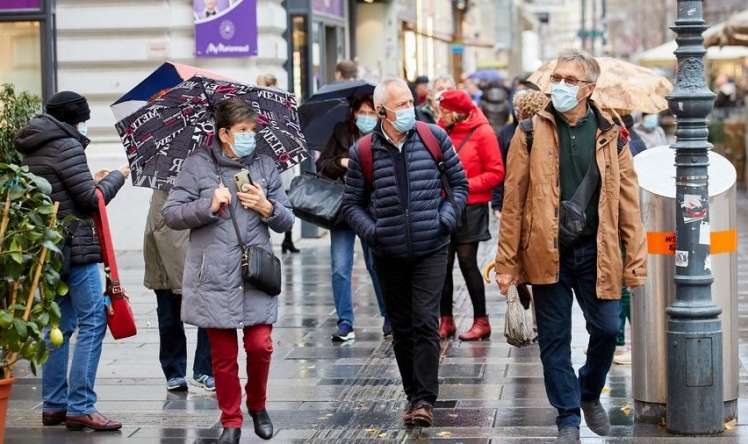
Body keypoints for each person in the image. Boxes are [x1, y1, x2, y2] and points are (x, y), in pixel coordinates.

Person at [494, 51, 647, 444]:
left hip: (598, 252)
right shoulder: (529, 131)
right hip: (547, 251)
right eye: (557, 77)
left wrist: (636, 260)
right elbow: (513, 200)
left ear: (589, 88)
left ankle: (589, 392)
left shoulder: (613, 136)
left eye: (570, 79)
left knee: (608, 329)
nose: (560, 85)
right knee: (555, 340)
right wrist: (506, 263)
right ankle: (567, 416)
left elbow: (629, 204)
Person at [163, 98, 294, 443]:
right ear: (223, 133)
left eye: (253, 130)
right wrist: (208, 205)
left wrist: (267, 206)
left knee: (260, 345)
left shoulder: (265, 166)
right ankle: (231, 420)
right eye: (242, 131)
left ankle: (259, 404)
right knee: (222, 357)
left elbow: (287, 218)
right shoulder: (196, 165)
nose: (250, 136)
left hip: (256, 273)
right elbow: (172, 214)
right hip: (214, 275)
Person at [343, 77, 468, 427]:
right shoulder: (364, 151)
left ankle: (425, 399)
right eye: (400, 105)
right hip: (389, 252)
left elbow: (460, 185)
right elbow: (351, 204)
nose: (408, 110)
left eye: (410, 102)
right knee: (402, 327)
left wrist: (445, 219)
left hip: (431, 247)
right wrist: (374, 232)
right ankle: (412, 392)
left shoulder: (434, 137)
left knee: (426, 322)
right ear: (382, 111)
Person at [15, 91, 129, 431]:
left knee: (60, 326)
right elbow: (89, 199)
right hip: (75, 247)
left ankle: (54, 405)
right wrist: (116, 177)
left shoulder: (32, 143)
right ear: (73, 119)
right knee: (93, 321)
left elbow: (60, 192)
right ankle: (81, 405)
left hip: (49, 248)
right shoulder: (67, 145)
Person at [316, 94, 390, 341]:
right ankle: (345, 322)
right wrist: (342, 162)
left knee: (377, 265)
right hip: (342, 209)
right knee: (340, 267)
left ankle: (389, 317)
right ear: (353, 114)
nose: (366, 118)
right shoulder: (340, 133)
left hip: (372, 210)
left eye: (371, 113)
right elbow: (322, 165)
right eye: (362, 112)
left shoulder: (384, 135)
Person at [436, 89, 504, 341]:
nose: (440, 115)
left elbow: (496, 172)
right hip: (444, 206)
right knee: (442, 263)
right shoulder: (441, 130)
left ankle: (481, 320)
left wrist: (464, 185)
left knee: (467, 262)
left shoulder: (483, 132)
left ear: (457, 111)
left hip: (472, 207)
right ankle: (445, 320)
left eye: (444, 110)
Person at [143, 190, 214, 392]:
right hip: (167, 247)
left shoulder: (209, 169)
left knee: (209, 305)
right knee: (170, 309)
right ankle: (176, 371)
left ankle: (204, 368)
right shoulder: (163, 179)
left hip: (201, 242)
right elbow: (158, 225)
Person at [491, 88, 546, 219]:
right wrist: (497, 202)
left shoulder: (549, 134)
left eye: (520, 107)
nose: (517, 111)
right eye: (515, 106)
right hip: (515, 195)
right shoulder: (507, 132)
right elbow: (500, 167)